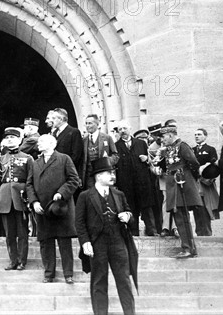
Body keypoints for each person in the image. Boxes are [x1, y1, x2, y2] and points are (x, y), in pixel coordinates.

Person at [76, 157, 137, 315]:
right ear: (98, 176)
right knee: (99, 282)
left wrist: (128, 216)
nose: (113, 176)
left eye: (113, 173)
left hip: (118, 242)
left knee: (124, 281)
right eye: (108, 173)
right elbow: (80, 223)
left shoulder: (119, 194)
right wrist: (85, 242)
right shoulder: (85, 196)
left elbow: (132, 218)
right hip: (98, 244)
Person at [26, 134, 79, 283]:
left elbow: (74, 179)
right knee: (46, 242)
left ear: (52, 144)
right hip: (42, 208)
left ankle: (68, 274)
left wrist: (61, 193)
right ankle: (49, 274)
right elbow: (29, 185)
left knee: (64, 241)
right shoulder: (35, 163)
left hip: (60, 207)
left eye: (42, 141)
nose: (39, 144)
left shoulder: (64, 159)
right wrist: (34, 202)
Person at [0, 127, 33, 270]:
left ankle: (22, 260)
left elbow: (30, 181)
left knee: (22, 232)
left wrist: (30, 200)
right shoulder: (1, 159)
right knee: (9, 233)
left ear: (20, 140)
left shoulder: (27, 158)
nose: (10, 140)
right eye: (7, 138)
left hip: (20, 198)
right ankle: (13, 260)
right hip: (5, 198)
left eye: (13, 138)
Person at [160, 125, 202, 258]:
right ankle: (188, 248)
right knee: (178, 217)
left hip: (182, 185)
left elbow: (194, 163)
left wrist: (189, 179)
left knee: (183, 217)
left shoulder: (183, 146)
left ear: (171, 135)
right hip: (173, 185)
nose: (162, 140)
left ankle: (189, 248)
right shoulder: (170, 149)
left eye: (164, 137)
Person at [115, 121, 157, 236]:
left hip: (142, 182)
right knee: (131, 208)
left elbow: (150, 161)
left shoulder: (141, 144)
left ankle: (151, 230)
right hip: (126, 184)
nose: (122, 131)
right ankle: (133, 232)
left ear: (130, 128)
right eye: (120, 129)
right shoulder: (116, 146)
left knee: (147, 207)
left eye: (124, 128)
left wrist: (147, 159)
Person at [192, 128, 219, 236]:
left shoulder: (210, 149)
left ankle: (207, 233)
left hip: (205, 183)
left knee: (206, 207)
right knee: (196, 207)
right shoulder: (191, 150)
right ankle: (199, 233)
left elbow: (214, 163)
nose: (196, 136)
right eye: (195, 134)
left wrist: (204, 169)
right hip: (194, 182)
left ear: (205, 136)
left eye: (199, 134)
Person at [80, 114, 119, 190]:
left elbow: (116, 155)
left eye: (90, 123)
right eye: (86, 123)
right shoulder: (84, 140)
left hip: (103, 173)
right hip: (89, 175)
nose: (88, 126)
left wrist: (107, 160)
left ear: (97, 124)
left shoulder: (107, 138)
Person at [51, 108, 83, 174]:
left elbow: (76, 155)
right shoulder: (54, 133)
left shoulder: (74, 132)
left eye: (54, 118)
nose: (52, 121)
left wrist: (66, 168)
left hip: (67, 172)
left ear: (61, 119)